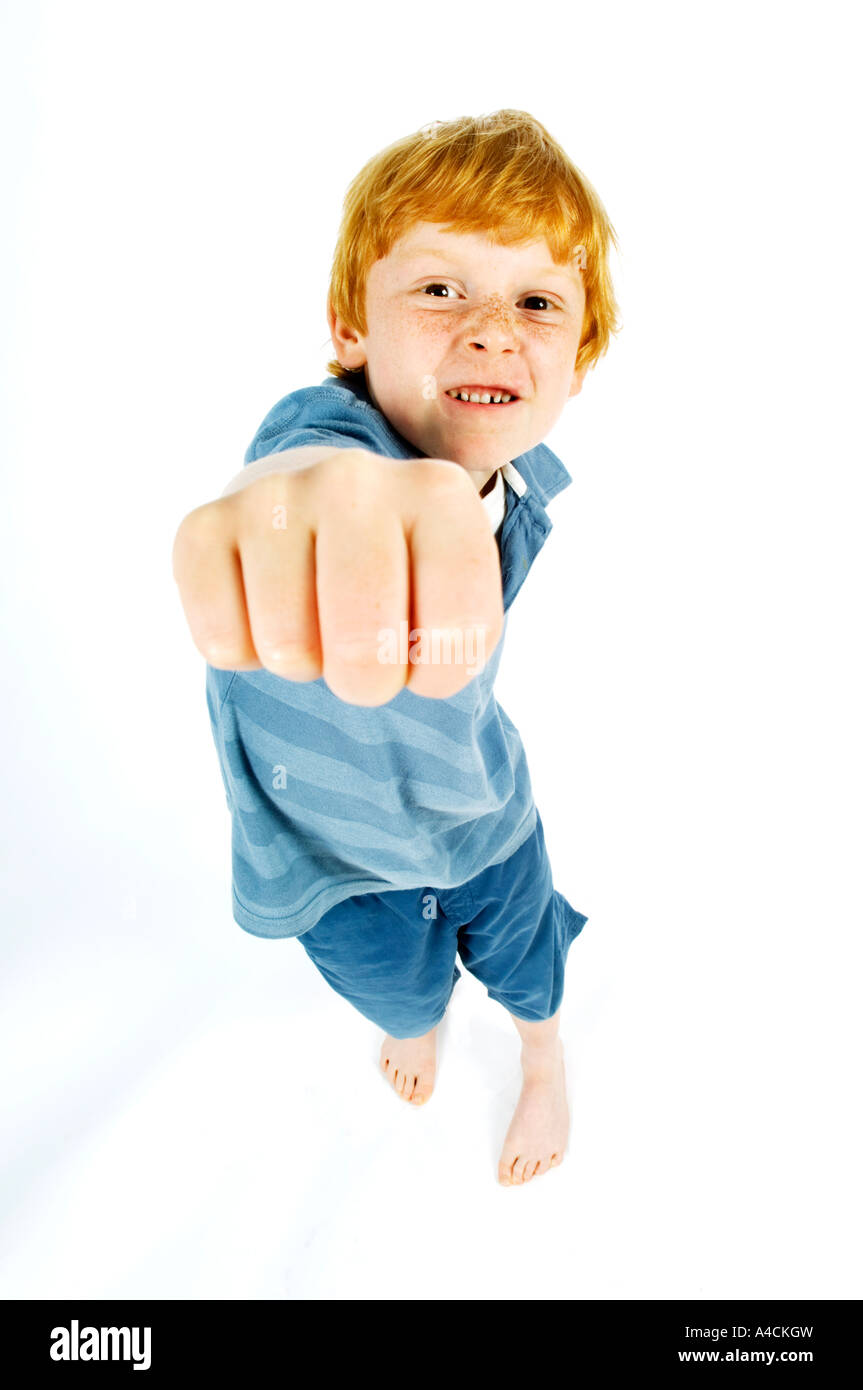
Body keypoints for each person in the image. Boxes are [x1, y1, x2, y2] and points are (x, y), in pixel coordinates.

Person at [172, 109, 620, 1186]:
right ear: (349, 327)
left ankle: (543, 1058)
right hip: (334, 868)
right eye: (438, 289)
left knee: (528, 973)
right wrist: (284, 504)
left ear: (576, 360)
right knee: (397, 992)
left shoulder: (523, 490)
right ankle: (417, 1024)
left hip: (483, 814)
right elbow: (301, 480)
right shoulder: (324, 440)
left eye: (537, 302)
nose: (490, 328)